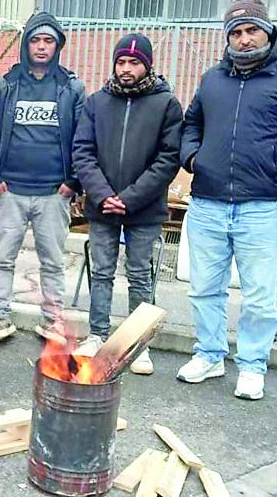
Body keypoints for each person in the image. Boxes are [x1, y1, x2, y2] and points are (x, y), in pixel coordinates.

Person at [177, 0, 277, 401]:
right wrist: (194, 158)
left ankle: (253, 365)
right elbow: (191, 125)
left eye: (251, 30)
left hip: (262, 206)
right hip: (208, 203)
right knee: (204, 288)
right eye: (235, 33)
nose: (243, 39)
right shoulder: (212, 80)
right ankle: (208, 355)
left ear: (268, 31)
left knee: (258, 295)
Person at [72, 33, 183, 370]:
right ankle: (97, 334)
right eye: (121, 62)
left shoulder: (166, 104)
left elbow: (169, 158)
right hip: (103, 206)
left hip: (144, 208)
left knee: (140, 274)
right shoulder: (97, 102)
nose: (126, 69)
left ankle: (138, 344)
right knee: (102, 270)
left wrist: (130, 198)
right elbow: (82, 151)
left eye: (134, 63)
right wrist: (104, 195)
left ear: (147, 65)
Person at [0, 11, 85, 345]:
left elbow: (84, 138)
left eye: (48, 41)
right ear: (26, 44)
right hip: (10, 191)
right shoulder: (6, 86)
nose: (41, 47)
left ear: (58, 46)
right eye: (35, 40)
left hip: (55, 192)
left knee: (52, 261)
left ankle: (53, 321)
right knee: (2, 259)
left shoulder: (71, 88)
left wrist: (73, 182)